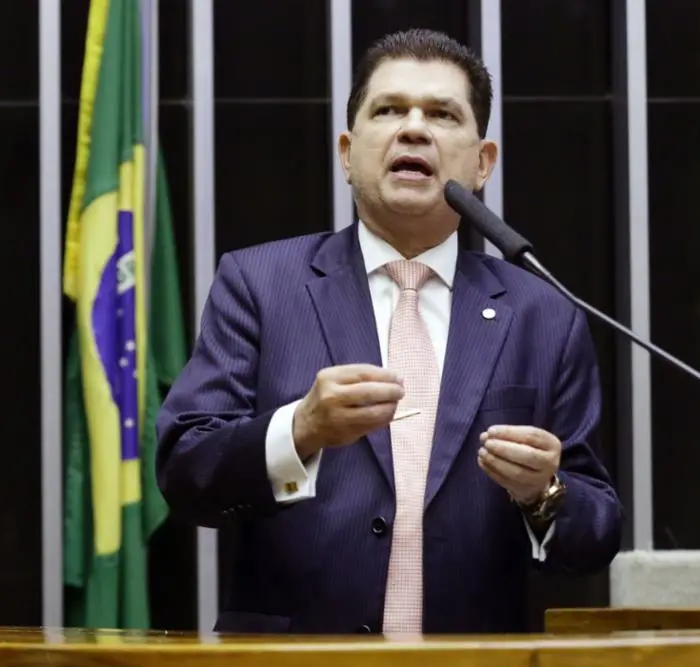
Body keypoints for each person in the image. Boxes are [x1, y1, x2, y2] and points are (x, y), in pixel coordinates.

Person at [156, 28, 623, 636]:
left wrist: (543, 492)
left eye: (442, 114)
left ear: (482, 164)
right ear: (347, 153)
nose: (413, 129)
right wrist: (299, 430)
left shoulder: (544, 314)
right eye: (389, 110)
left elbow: (596, 535)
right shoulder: (259, 284)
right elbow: (185, 473)